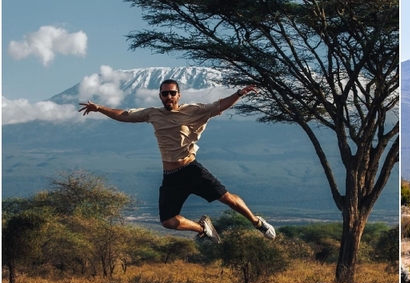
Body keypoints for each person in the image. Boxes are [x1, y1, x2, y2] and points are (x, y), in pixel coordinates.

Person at [79, 79, 276, 243]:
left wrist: (239, 93)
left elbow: (219, 105)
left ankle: (257, 222)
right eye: (164, 94)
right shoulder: (152, 114)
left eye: (172, 93)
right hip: (171, 177)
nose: (168, 97)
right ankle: (202, 228)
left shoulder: (193, 110)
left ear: (178, 95)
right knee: (168, 221)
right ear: (160, 96)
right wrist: (99, 108)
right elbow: (124, 115)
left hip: (191, 169)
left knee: (227, 198)